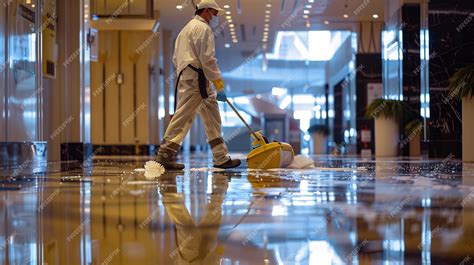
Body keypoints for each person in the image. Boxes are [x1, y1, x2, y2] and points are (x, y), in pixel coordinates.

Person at [155, 0, 241, 170]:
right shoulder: (203, 29)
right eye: (214, 13)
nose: (215, 17)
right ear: (206, 11)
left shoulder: (185, 29)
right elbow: (208, 59)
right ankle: (165, 154)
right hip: (198, 80)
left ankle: (220, 157)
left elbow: (175, 58)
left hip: (190, 76)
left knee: (212, 118)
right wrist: (219, 84)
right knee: (184, 115)